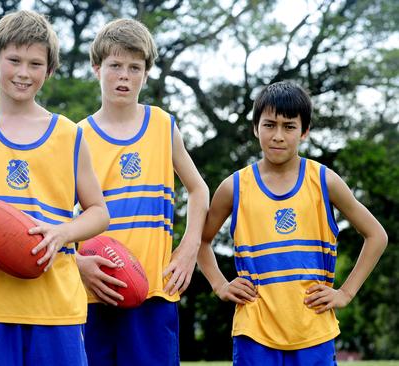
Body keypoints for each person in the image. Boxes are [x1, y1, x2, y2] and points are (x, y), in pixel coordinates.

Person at [0, 10, 109, 366]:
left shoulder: (69, 135)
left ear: (49, 70)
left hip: (55, 306)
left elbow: (98, 213)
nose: (24, 73)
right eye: (14, 60)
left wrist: (63, 232)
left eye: (35, 63)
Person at [196, 81, 387, 365]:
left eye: (289, 126)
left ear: (304, 131)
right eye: (269, 125)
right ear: (255, 128)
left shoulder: (324, 181)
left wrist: (345, 293)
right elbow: (199, 239)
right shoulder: (234, 187)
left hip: (313, 330)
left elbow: (376, 235)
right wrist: (220, 285)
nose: (278, 136)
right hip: (254, 332)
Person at [76, 19, 209, 366]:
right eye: (115, 66)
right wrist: (76, 263)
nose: (124, 75)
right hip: (95, 292)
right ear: (96, 69)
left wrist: (189, 248)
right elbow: (55, 215)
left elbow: (198, 189)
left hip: (153, 291)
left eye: (134, 67)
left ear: (146, 74)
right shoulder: (76, 136)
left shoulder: (163, 126)